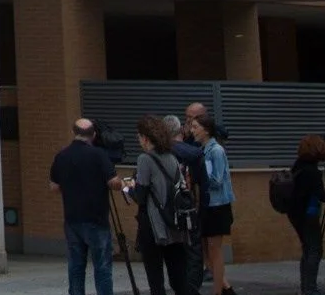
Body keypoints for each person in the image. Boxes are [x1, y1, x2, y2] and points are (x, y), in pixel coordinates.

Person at [47, 117, 120, 295]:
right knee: (102, 267)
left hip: (72, 219)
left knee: (76, 267)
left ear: (73, 133)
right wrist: (121, 183)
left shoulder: (61, 156)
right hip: (96, 219)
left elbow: (54, 186)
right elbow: (113, 182)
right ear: (93, 135)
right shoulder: (99, 155)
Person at [130, 117, 199, 295]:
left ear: (145, 138)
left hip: (154, 227)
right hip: (176, 223)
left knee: (156, 280)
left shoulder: (144, 159)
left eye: (139, 137)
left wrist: (129, 188)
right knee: (179, 278)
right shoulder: (171, 157)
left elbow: (141, 195)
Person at [183, 103, 234, 295]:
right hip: (205, 204)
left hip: (217, 205)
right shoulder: (202, 150)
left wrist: (198, 178)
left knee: (215, 250)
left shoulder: (215, 151)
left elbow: (217, 179)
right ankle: (225, 288)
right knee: (205, 252)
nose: (192, 131)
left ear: (206, 130)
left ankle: (218, 291)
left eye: (195, 127)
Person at [284, 133, 325, 295]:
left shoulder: (298, 165)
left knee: (307, 249)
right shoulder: (312, 172)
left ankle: (306, 287)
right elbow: (321, 196)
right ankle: (310, 289)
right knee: (315, 250)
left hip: (295, 213)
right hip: (308, 213)